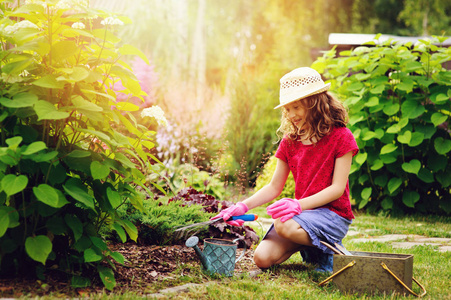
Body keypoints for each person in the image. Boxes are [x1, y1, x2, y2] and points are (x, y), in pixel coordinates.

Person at [214, 67, 359, 273]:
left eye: (296, 107)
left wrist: (298, 205)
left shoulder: (341, 136)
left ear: (315, 102)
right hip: (302, 219)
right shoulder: (290, 141)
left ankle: (330, 254)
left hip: (332, 215)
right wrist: (242, 206)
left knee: (283, 224)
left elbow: (337, 189)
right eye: (287, 109)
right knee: (261, 258)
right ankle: (313, 246)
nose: (291, 115)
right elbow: (274, 187)